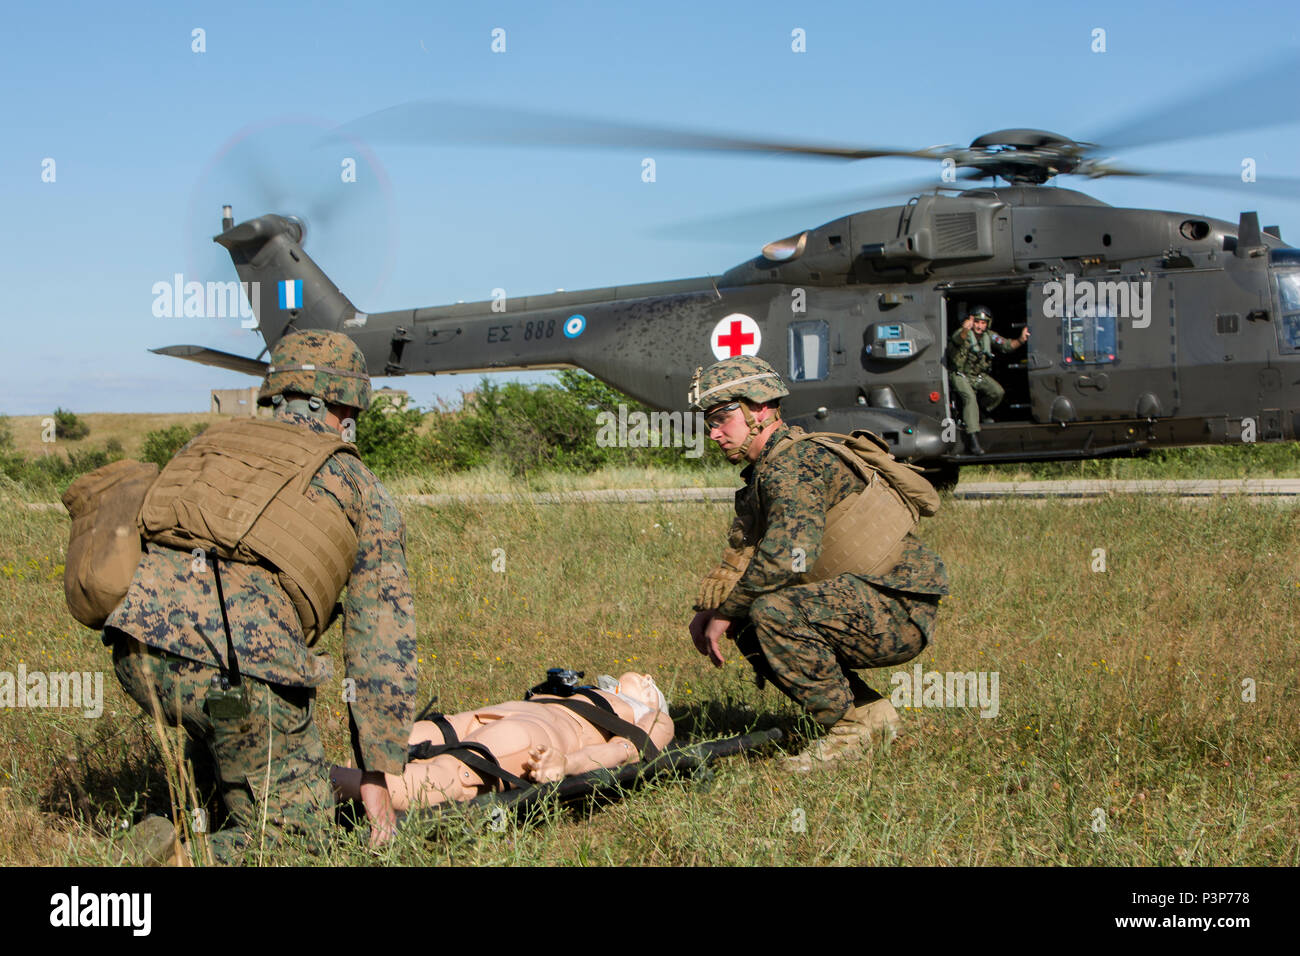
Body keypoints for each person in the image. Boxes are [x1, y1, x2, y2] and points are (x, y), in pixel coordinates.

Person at [102, 329, 417, 862]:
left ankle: (180, 819)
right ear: (331, 403)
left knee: (226, 739)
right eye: (351, 408)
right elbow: (380, 645)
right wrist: (377, 775)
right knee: (300, 839)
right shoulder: (358, 485)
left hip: (136, 651)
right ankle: (175, 862)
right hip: (242, 667)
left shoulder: (211, 445)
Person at [686, 356, 948, 772]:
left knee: (771, 611)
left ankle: (849, 733)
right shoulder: (770, 467)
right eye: (709, 422)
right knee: (751, 620)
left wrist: (726, 611)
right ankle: (869, 714)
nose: (714, 433)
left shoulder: (793, 464)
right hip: (875, 602)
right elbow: (755, 558)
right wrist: (717, 610)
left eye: (722, 418)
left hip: (896, 611)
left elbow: (792, 556)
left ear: (760, 408)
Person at [331, 672, 673, 810]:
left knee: (441, 779)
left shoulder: (653, 715)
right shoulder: (583, 690)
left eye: (651, 685)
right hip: (484, 716)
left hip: (535, 736)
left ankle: (299, 790)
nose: (647, 677)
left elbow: (628, 752)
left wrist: (570, 763)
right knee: (376, 753)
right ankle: (303, 784)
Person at [947, 305, 1029, 455]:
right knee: (970, 399)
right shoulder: (963, 333)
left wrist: (1021, 340)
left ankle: (981, 412)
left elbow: (1006, 346)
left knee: (997, 392)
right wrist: (966, 328)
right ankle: (973, 441)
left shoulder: (989, 336)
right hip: (960, 375)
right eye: (977, 322)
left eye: (983, 323)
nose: (980, 326)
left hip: (977, 376)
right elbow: (957, 340)